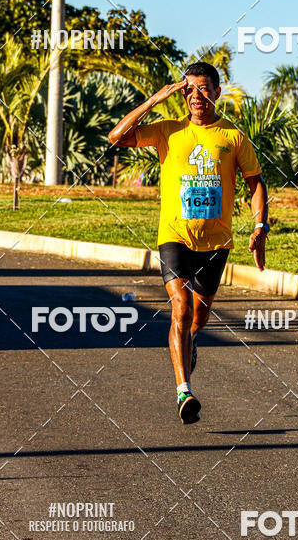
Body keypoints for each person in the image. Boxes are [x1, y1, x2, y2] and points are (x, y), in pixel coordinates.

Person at [108, 62, 269, 424]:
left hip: (216, 242)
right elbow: (116, 137)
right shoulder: (168, 130)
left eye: (203, 88)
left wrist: (260, 225)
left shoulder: (233, 137)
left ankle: (191, 340)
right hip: (175, 236)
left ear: (217, 93)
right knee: (180, 309)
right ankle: (184, 390)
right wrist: (154, 99)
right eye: (188, 89)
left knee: (198, 316)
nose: (196, 96)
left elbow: (255, 182)